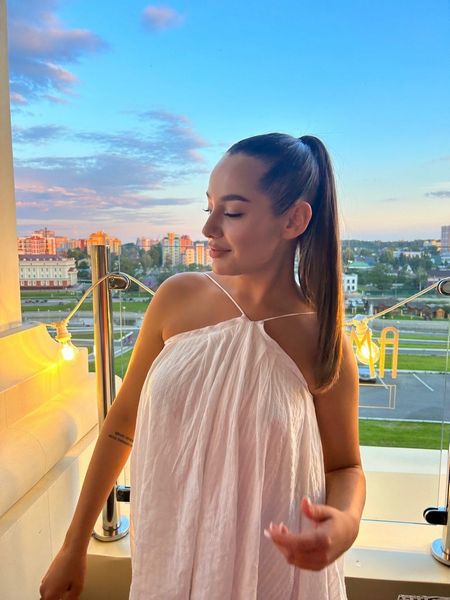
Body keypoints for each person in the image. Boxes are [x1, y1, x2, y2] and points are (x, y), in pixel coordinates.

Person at [39, 133, 365, 600]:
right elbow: (121, 426)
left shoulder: (321, 339)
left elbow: (345, 466)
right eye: (209, 207)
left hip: (272, 572)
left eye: (232, 212)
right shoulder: (176, 299)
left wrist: (345, 524)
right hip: (168, 560)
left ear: (294, 219)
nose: (209, 227)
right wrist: (73, 547)